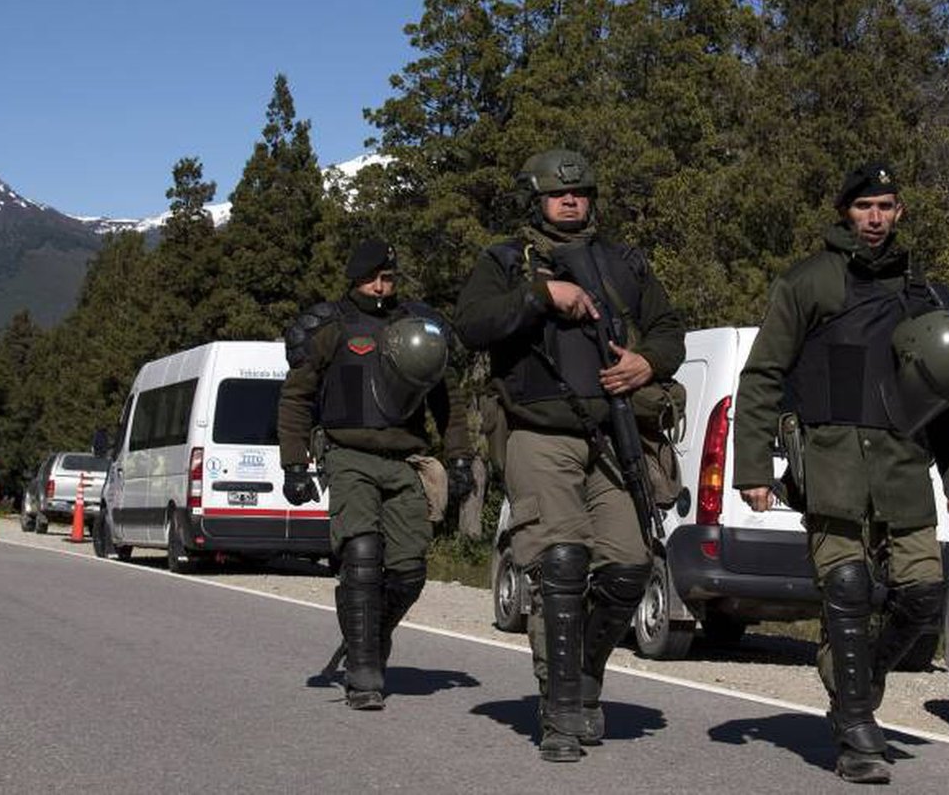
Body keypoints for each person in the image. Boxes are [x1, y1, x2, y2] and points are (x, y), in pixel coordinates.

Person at [734, 161, 949, 784]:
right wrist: (754, 466)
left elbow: (943, 394)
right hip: (831, 461)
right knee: (845, 588)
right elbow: (762, 375)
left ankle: (861, 680)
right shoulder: (809, 283)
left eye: (888, 207)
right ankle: (855, 731)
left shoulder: (926, 295)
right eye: (865, 206)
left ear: (900, 212)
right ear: (846, 211)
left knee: (925, 594)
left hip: (902, 465)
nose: (876, 218)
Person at [453, 149, 684, 762]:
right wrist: (539, 296)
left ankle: (582, 674)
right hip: (539, 429)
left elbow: (669, 331)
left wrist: (648, 362)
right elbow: (471, 324)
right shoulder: (505, 260)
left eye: (580, 192)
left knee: (628, 569)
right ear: (538, 199)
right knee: (559, 564)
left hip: (615, 434)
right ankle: (559, 711)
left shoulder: (624, 261)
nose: (571, 201)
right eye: (559, 194)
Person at [278, 237, 474, 711]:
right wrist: (294, 464)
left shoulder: (417, 327)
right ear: (356, 277)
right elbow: (297, 397)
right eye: (373, 278)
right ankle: (365, 672)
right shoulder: (333, 328)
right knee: (362, 555)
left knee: (409, 570)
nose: (381, 287)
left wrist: (460, 458)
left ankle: (370, 634)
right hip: (348, 455)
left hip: (404, 460)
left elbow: (447, 400)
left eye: (388, 278)